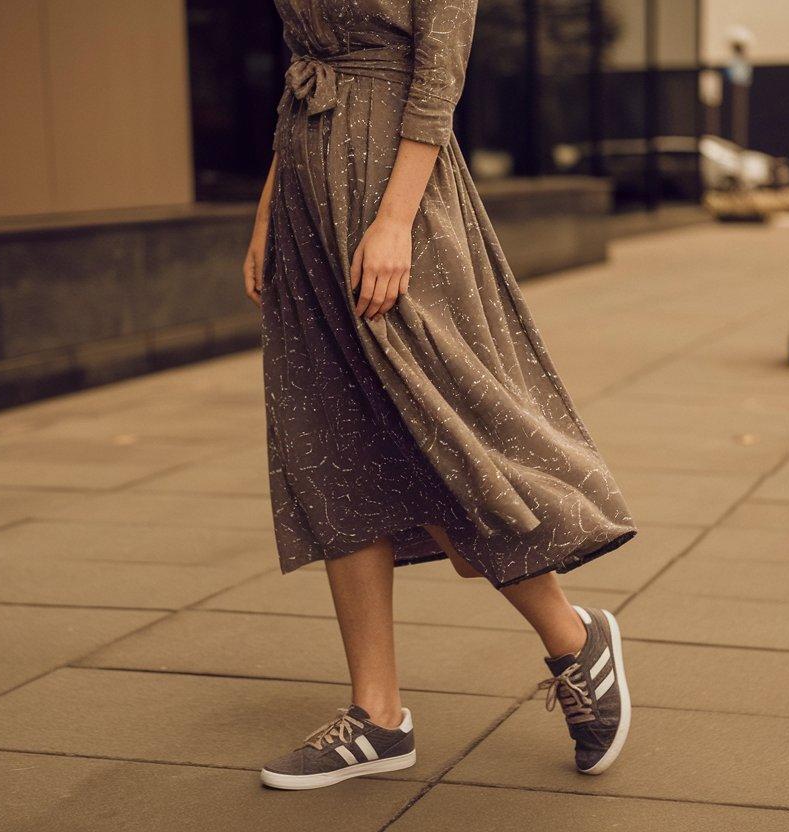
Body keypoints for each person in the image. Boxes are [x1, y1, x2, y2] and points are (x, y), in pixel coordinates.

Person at [243, 0, 638, 791]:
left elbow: (438, 73)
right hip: (306, 190)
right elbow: (302, 71)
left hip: (394, 189)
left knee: (440, 429)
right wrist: (265, 213)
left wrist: (393, 221)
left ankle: (574, 641)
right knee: (333, 442)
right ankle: (377, 716)